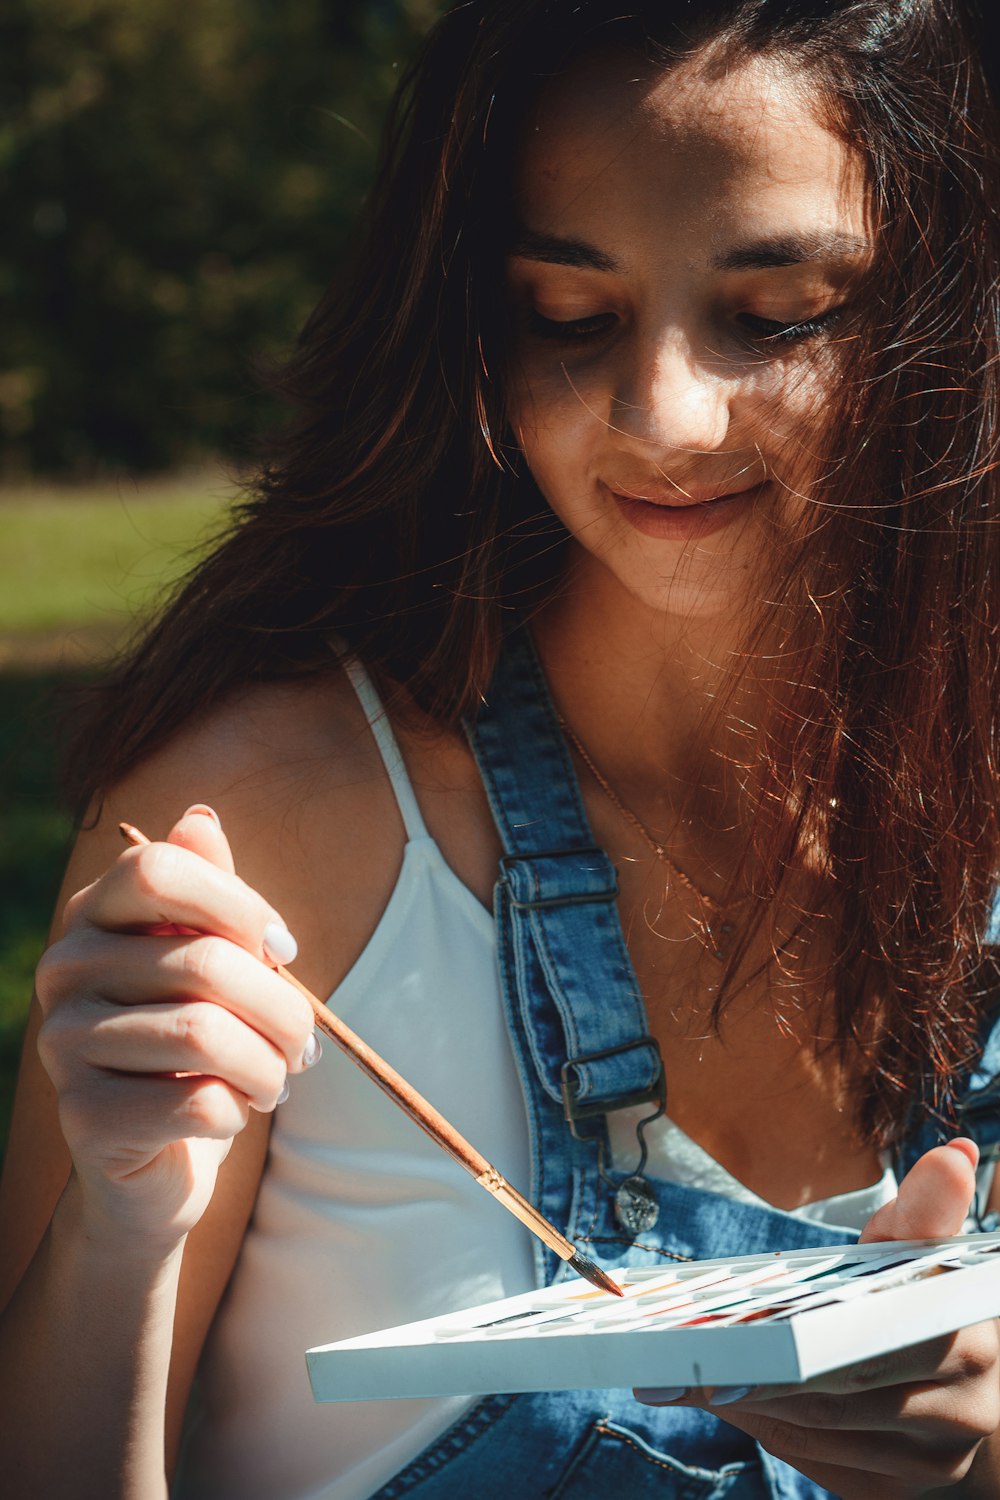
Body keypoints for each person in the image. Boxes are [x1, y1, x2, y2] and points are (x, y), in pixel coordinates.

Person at [3, 0, 1000, 1495]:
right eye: (571, 318)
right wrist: (120, 1227)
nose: (663, 415)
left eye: (777, 313)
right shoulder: (276, 819)